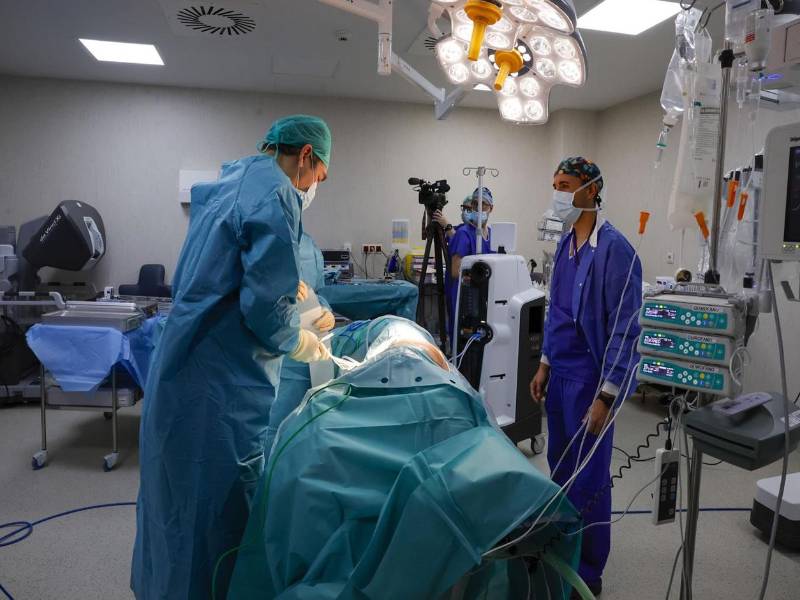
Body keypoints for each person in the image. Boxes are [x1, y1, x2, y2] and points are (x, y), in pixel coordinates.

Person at [132, 114, 334, 600]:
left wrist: (284, 285)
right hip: (217, 382)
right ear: (305, 156)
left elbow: (220, 274)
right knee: (215, 506)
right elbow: (265, 312)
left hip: (182, 363)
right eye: (319, 176)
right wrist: (303, 339)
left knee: (172, 496)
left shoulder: (228, 182)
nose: (314, 187)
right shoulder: (278, 193)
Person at [529, 157, 642, 597]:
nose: (558, 192)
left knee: (589, 480)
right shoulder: (564, 245)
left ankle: (588, 575)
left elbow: (625, 330)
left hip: (593, 385)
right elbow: (556, 310)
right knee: (560, 471)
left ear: (592, 189)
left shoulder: (616, 251)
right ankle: (561, 556)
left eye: (566, 184)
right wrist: (544, 364)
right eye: (554, 183)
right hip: (561, 379)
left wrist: (607, 396)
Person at [264, 229, 335, 455]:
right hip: (264, 359)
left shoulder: (306, 244)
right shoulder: (253, 237)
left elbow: (317, 290)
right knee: (268, 437)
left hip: (304, 364)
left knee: (301, 434)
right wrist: (273, 293)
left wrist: (324, 309)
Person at [433, 187, 495, 341]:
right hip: (467, 298)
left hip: (487, 297)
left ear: (491, 208)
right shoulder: (464, 233)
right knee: (464, 343)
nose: (479, 208)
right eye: (475, 204)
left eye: (484, 205)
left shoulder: (494, 234)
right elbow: (455, 271)